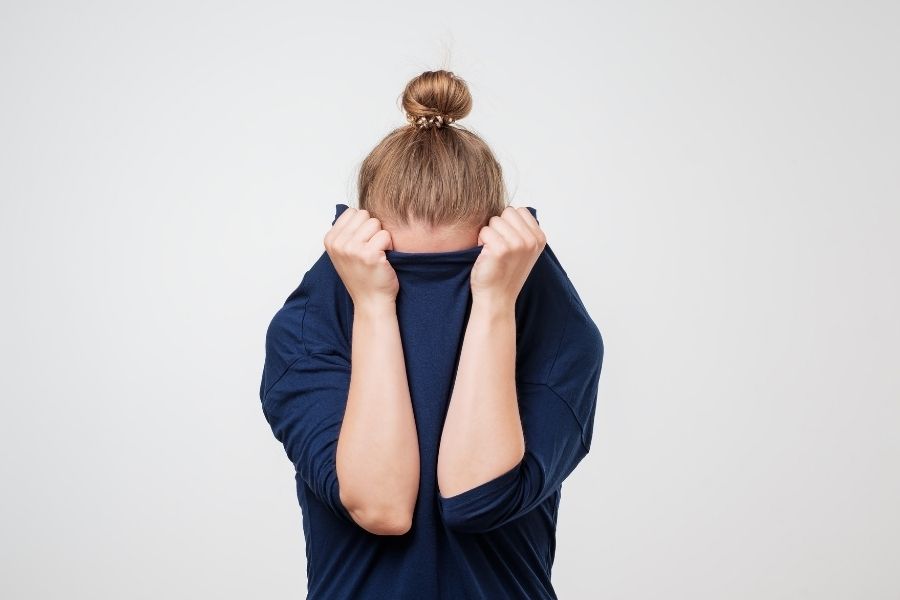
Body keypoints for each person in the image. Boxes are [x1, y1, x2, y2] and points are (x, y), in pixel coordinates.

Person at [259, 69, 604, 599]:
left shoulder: (558, 334)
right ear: (357, 249)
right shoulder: (309, 331)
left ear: (500, 250)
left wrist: (492, 302)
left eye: (458, 275)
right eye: (402, 273)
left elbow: (477, 498)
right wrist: (374, 304)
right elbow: (381, 506)